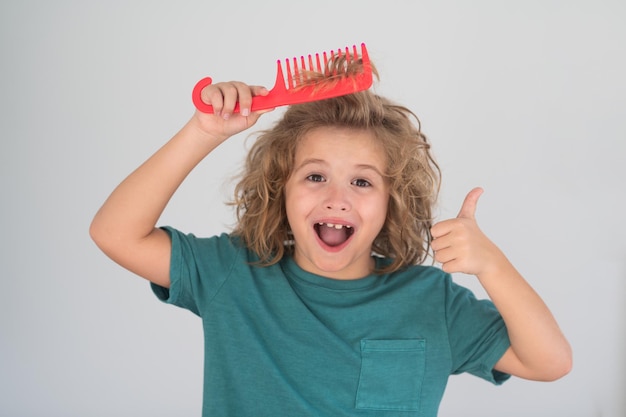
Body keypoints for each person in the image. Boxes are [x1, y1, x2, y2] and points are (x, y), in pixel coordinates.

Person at [90, 53, 572, 417]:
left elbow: (550, 362)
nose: (336, 198)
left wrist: (493, 265)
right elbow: (115, 233)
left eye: (362, 181)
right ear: (281, 189)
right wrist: (204, 132)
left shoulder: (432, 302)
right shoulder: (232, 274)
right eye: (315, 176)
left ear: (392, 201)